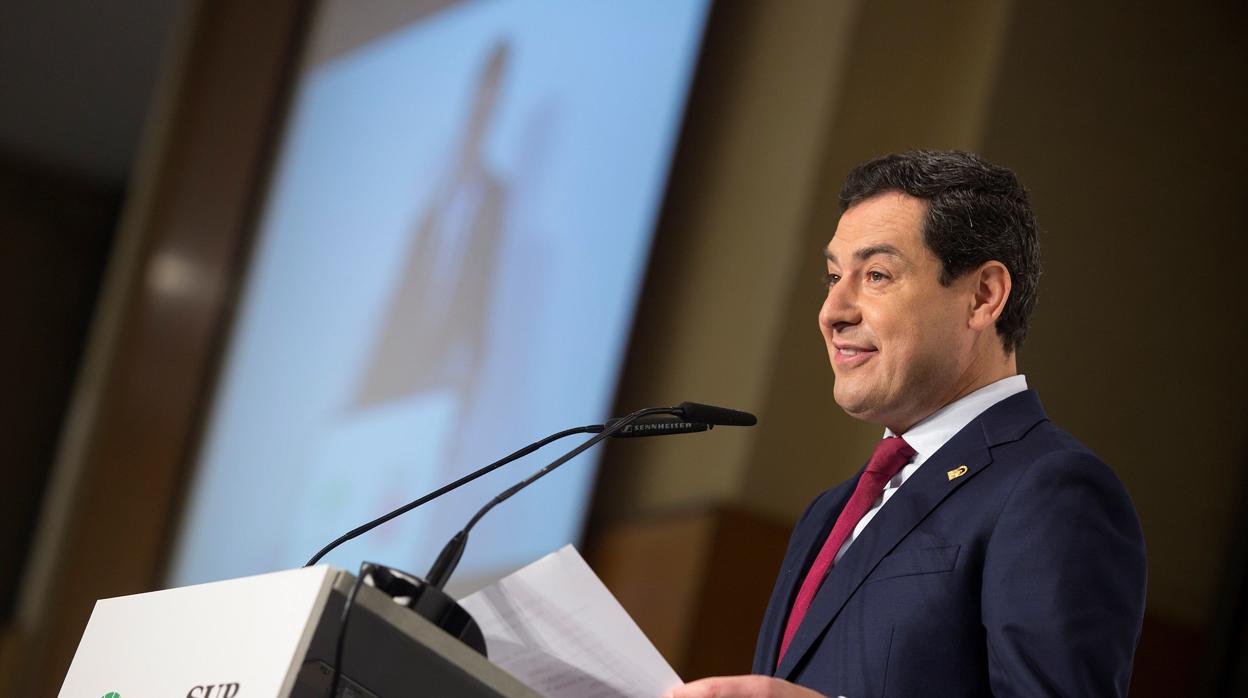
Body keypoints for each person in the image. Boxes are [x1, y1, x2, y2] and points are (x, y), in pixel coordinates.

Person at [667, 151, 1147, 697]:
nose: (833, 311)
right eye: (831, 277)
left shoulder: (1050, 490)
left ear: (983, 296)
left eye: (876, 275)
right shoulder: (829, 512)